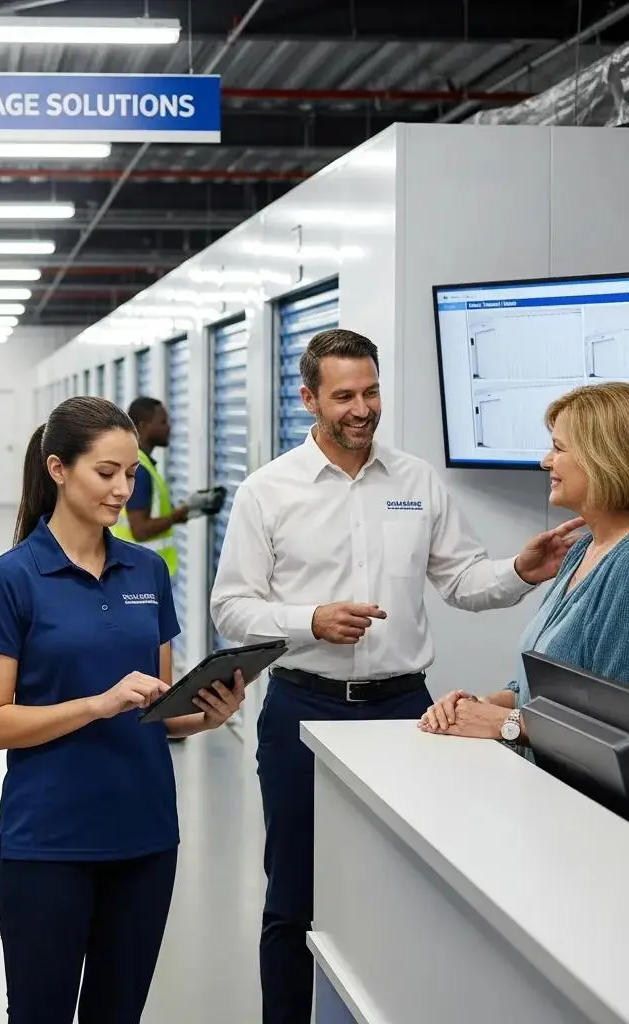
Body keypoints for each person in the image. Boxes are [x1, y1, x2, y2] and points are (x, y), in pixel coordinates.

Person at [209, 329, 581, 1024]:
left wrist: (519, 572)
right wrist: (309, 620)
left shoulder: (415, 481)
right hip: (302, 709)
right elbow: (230, 608)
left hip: (406, 710)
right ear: (308, 398)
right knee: (295, 892)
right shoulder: (270, 491)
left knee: (406, 887)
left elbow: (461, 579)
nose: (361, 408)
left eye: (371, 391)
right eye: (344, 395)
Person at [0, 396, 245, 1024]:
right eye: (107, 473)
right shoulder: (11, 578)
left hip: (144, 838)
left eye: (131, 474)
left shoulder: (147, 569)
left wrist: (208, 714)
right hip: (48, 844)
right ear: (59, 469)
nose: (123, 489)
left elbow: (161, 709)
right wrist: (95, 704)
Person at [420, 381, 629, 742]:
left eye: (558, 448)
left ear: (602, 458)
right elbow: (541, 689)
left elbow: (615, 725)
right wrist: (479, 705)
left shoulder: (623, 568)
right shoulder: (580, 551)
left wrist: (506, 724)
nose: (545, 461)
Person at [111, 396, 188, 574]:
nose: (168, 427)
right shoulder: (138, 469)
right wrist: (175, 517)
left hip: (137, 571)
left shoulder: (139, 463)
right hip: (140, 576)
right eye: (162, 422)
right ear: (144, 426)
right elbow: (140, 530)